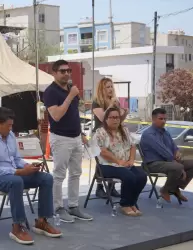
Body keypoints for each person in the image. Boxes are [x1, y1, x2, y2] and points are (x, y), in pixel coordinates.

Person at [0, 107, 62, 245]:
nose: (11, 128)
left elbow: (15, 159)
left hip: (12, 174)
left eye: (12, 125)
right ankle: (17, 226)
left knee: (46, 178)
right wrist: (19, 172)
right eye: (8, 125)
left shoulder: (9, 136)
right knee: (16, 182)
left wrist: (26, 166)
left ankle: (42, 221)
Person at [43, 59, 93, 223]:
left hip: (75, 137)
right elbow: (56, 116)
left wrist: (81, 134)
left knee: (76, 173)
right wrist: (70, 96)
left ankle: (73, 206)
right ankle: (58, 208)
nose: (67, 74)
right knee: (59, 174)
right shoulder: (51, 92)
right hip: (61, 138)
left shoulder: (71, 90)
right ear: (54, 73)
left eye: (68, 71)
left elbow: (74, 114)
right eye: (63, 71)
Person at [94, 108, 147, 216]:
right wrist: (119, 161)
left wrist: (131, 160)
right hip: (107, 166)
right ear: (106, 119)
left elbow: (133, 146)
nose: (115, 120)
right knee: (129, 176)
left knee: (142, 176)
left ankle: (132, 202)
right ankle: (125, 204)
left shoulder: (124, 130)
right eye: (112, 117)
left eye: (117, 117)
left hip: (125, 164)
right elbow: (103, 152)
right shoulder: (100, 132)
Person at [140, 108, 193, 203]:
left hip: (168, 162)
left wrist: (177, 151)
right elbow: (163, 152)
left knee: (191, 164)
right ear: (153, 119)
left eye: (165, 119)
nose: (164, 121)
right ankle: (165, 190)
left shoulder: (165, 132)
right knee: (177, 167)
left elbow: (173, 146)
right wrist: (179, 166)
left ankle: (175, 188)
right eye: (161, 119)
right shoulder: (149, 134)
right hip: (153, 164)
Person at [92, 77, 128, 199]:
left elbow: (117, 120)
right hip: (100, 134)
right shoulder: (97, 102)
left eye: (111, 86)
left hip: (113, 135)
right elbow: (103, 118)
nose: (110, 89)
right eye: (108, 87)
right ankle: (99, 187)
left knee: (114, 158)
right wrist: (111, 106)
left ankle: (111, 187)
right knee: (101, 158)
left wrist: (124, 112)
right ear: (102, 89)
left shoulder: (114, 101)